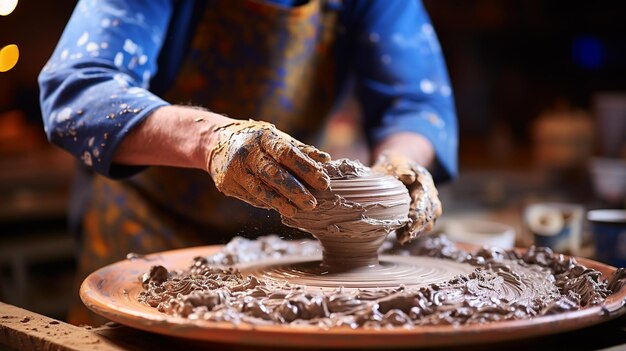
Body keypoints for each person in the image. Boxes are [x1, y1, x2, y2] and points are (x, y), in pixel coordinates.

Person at [38, 0, 458, 324]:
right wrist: (211, 140)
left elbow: (417, 103)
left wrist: (403, 161)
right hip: (151, 227)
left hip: (294, 229)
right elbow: (77, 89)